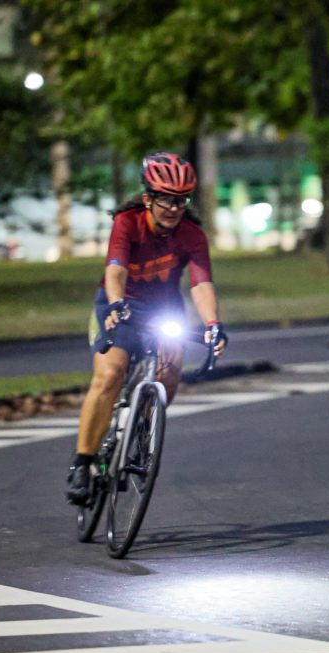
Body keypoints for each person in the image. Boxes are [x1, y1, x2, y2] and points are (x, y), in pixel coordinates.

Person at [65, 152, 228, 505]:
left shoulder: (192, 236)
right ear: (148, 198)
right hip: (119, 303)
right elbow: (116, 268)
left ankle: (139, 434)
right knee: (110, 374)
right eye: (166, 198)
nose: (173, 207)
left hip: (164, 309)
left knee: (169, 378)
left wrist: (213, 324)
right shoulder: (128, 222)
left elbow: (201, 284)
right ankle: (82, 463)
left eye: (181, 199)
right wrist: (116, 303)